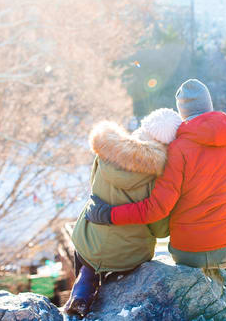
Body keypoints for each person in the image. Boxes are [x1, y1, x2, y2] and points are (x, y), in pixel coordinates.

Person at [84, 79, 226, 317]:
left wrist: (108, 214)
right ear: (210, 106)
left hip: (186, 251)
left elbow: (156, 209)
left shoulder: (178, 150)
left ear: (182, 112)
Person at [64, 108, 181, 316]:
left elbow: (95, 189)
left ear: (143, 127)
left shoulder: (107, 153)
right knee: (119, 251)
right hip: (130, 256)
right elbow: (159, 229)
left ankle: (85, 283)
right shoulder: (159, 176)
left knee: (87, 246)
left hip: (91, 244)